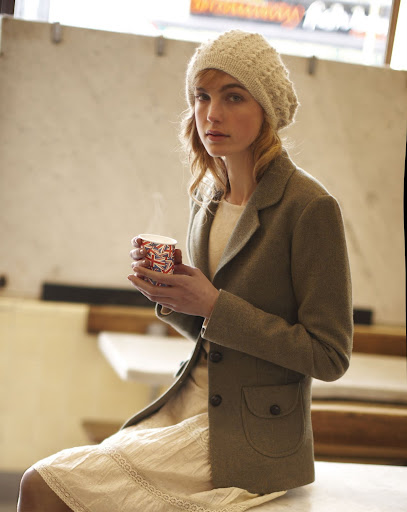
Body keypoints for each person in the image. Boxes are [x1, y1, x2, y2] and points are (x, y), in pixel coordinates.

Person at [18, 30, 353, 512]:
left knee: (40, 484)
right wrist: (174, 297)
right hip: (187, 402)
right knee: (48, 484)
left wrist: (214, 304)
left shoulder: (310, 207)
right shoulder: (207, 196)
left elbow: (329, 355)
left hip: (248, 435)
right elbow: (214, 332)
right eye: (201, 96)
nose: (211, 113)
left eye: (233, 97)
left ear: (266, 110)